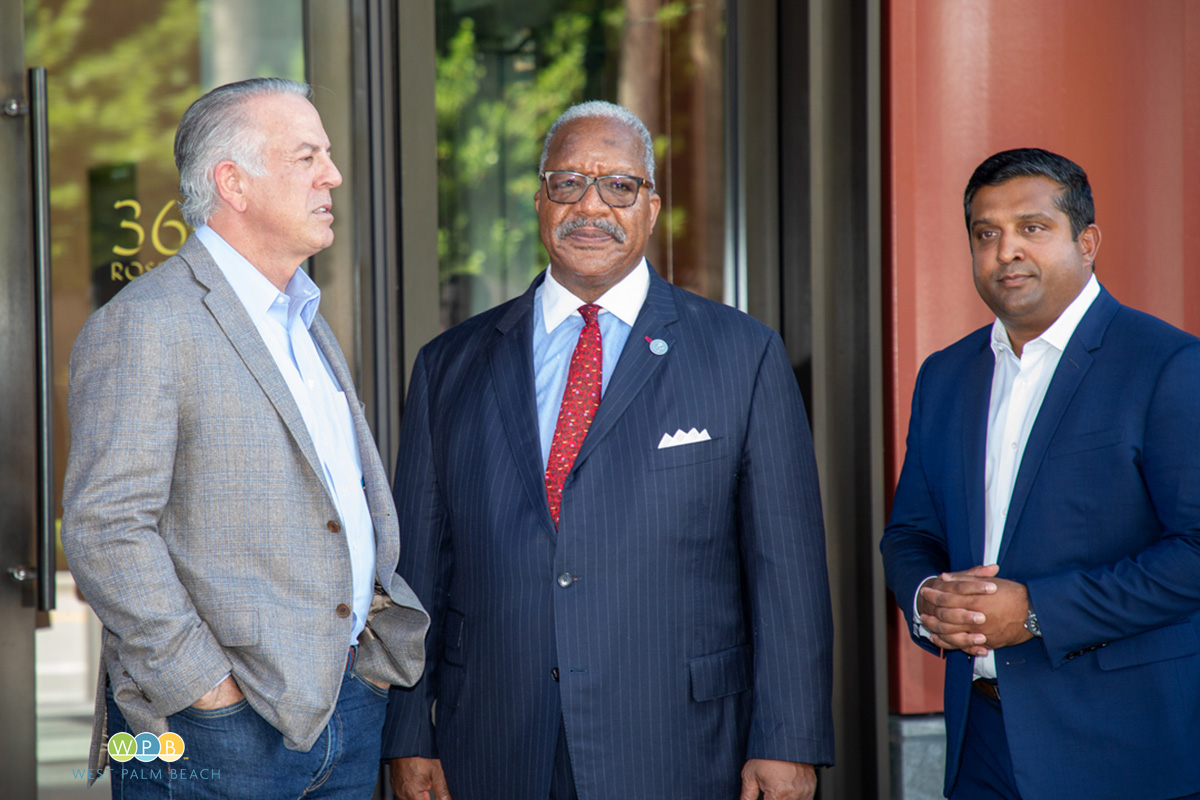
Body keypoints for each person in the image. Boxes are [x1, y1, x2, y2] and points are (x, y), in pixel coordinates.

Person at [381, 100, 835, 800]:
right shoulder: (449, 365)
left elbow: (787, 570)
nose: (590, 207)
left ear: (650, 208)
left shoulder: (742, 355)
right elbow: (417, 568)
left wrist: (789, 740)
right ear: (539, 201)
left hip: (681, 744)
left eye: (618, 186)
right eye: (567, 183)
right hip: (493, 744)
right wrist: (409, 734)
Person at [61, 77, 429, 799]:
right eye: (306, 157)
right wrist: (206, 689)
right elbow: (105, 528)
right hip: (219, 726)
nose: (333, 174)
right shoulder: (147, 322)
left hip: (346, 702)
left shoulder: (305, 319)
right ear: (233, 182)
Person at [881, 147, 1200, 800]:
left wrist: (1036, 613)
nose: (1005, 252)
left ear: (1087, 243)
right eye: (985, 233)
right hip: (983, 744)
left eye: (1032, 228)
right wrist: (926, 600)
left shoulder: (1168, 365)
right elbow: (910, 531)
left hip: (1124, 751)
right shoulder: (945, 375)